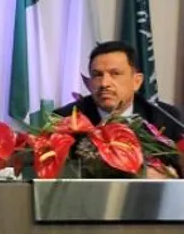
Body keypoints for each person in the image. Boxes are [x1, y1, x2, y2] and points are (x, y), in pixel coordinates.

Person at [53, 40, 183, 177]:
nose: (104, 83)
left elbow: (179, 168)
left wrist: (168, 176)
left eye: (115, 73)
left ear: (136, 81)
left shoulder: (164, 118)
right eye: (97, 75)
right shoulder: (66, 118)